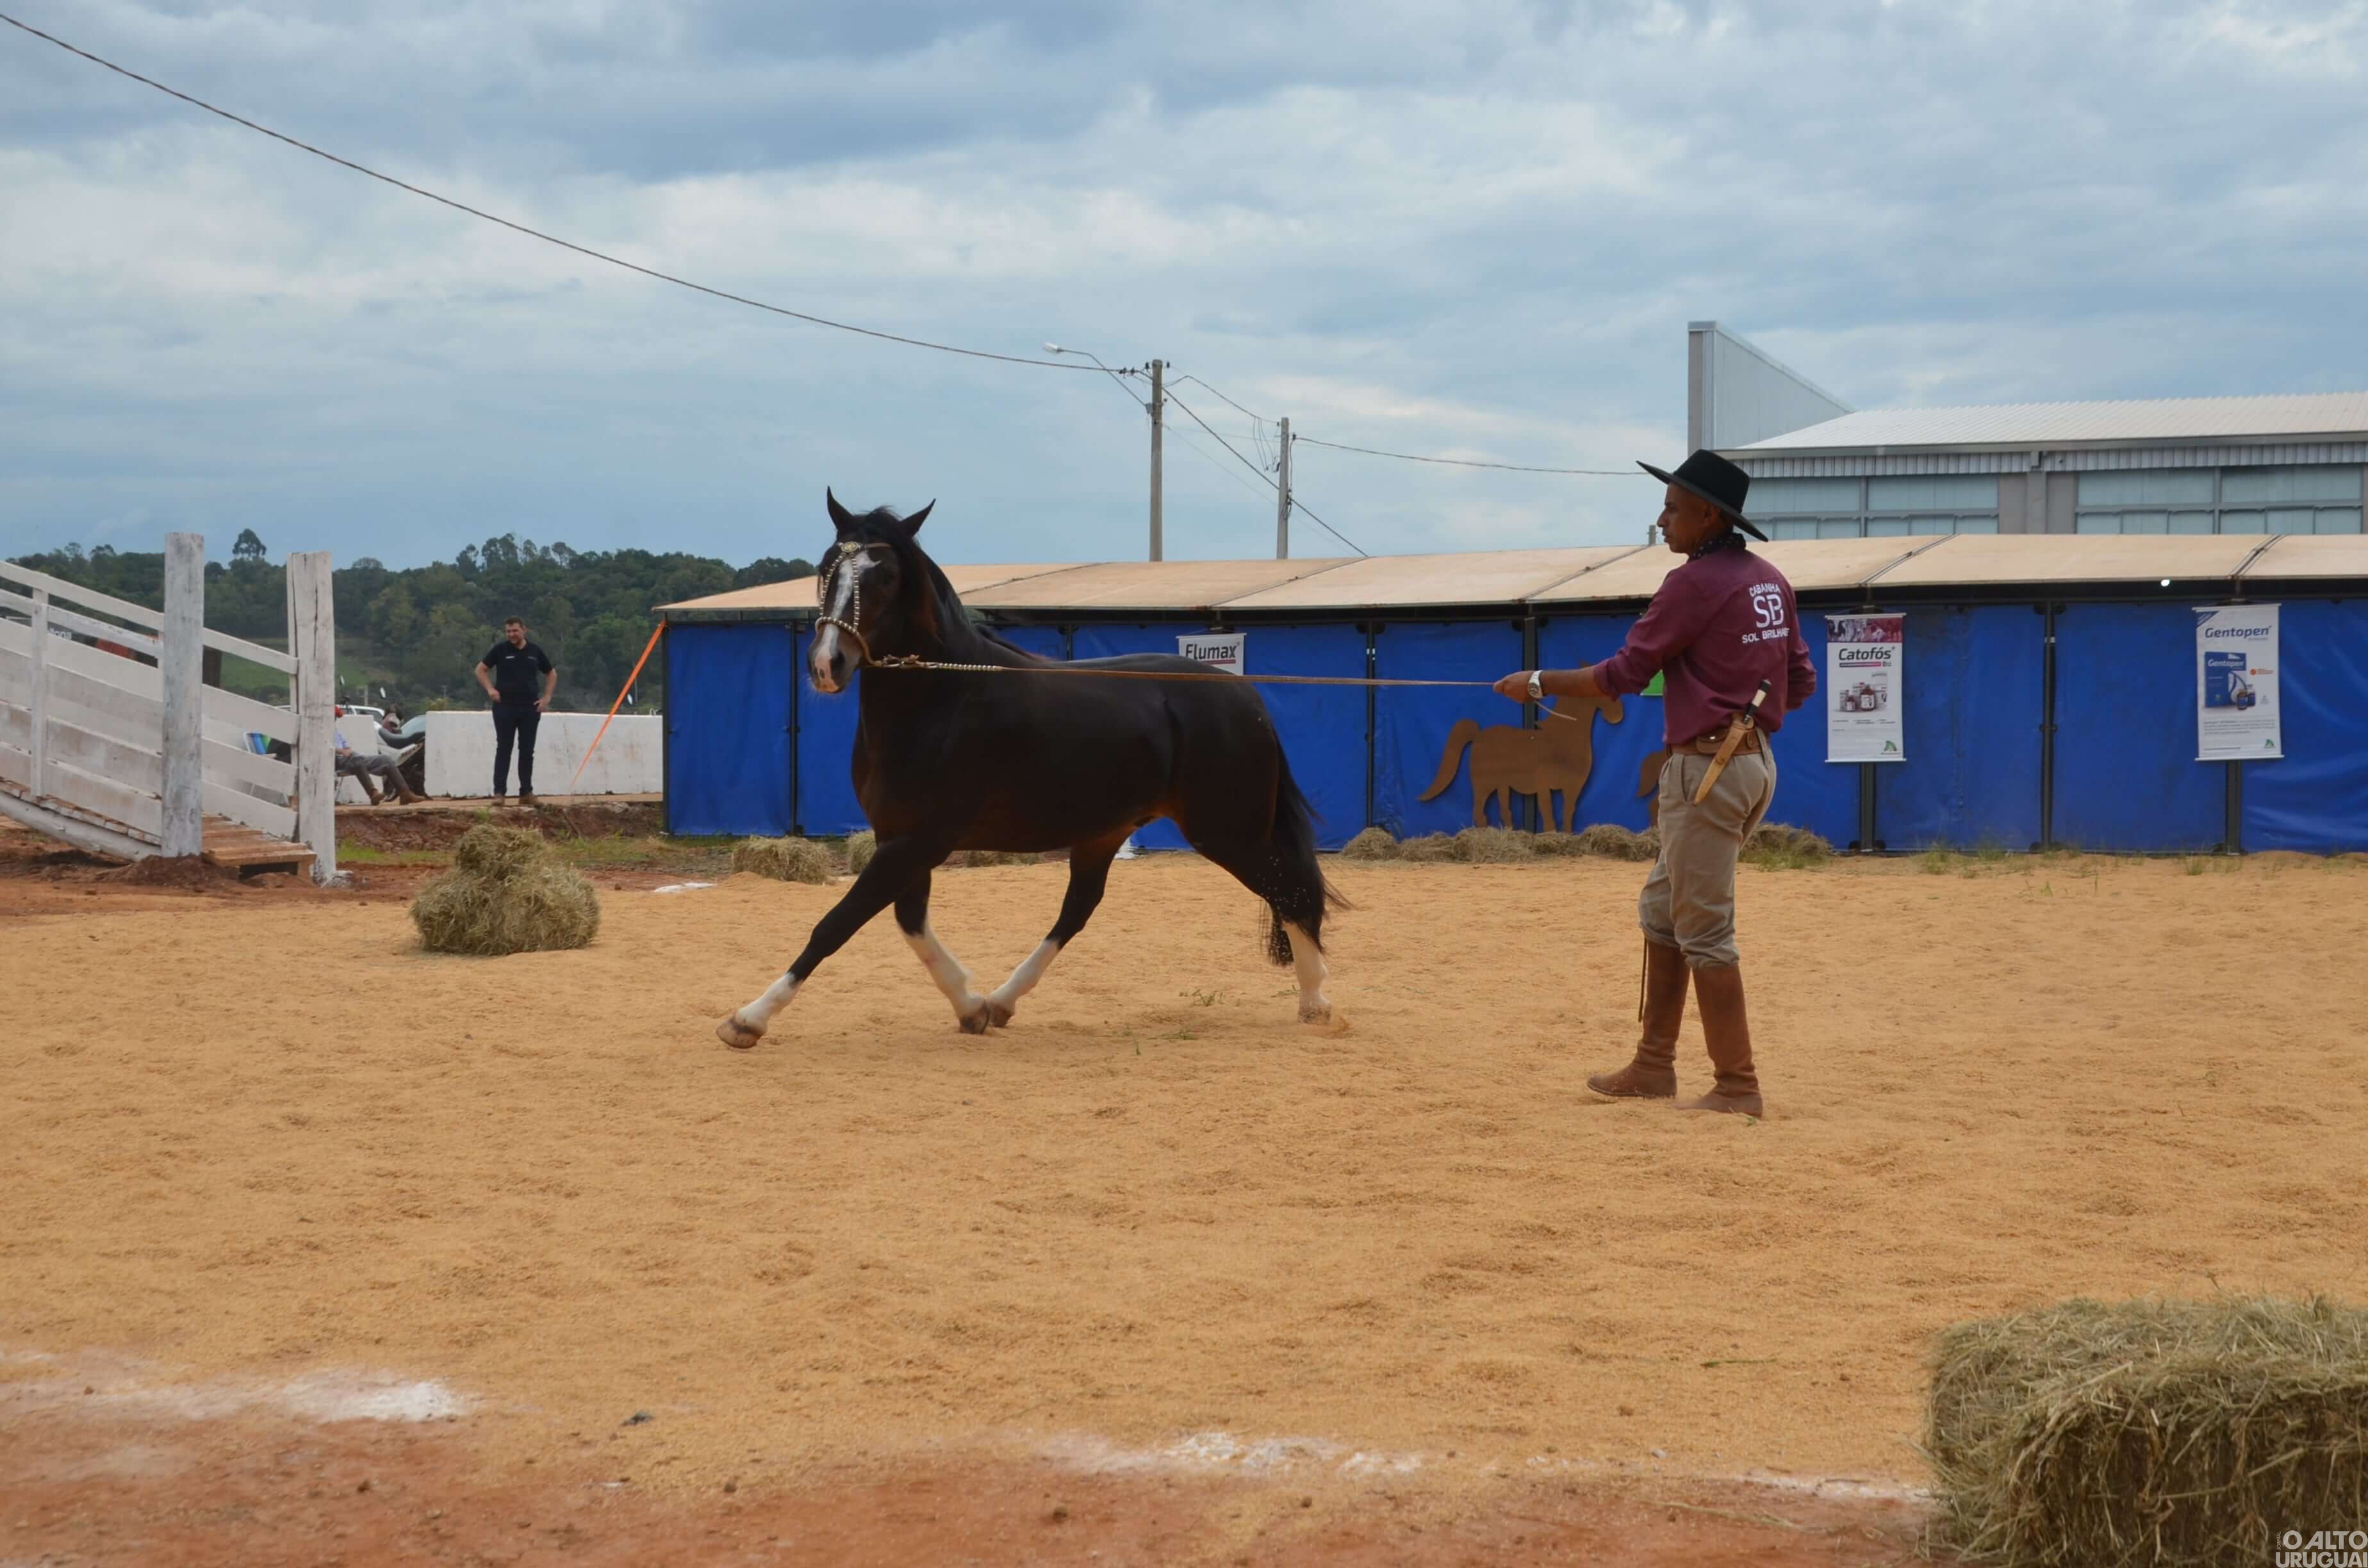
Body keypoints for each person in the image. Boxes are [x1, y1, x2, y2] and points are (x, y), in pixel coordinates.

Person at [1493, 450, 1815, 1116]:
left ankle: (1737, 1086)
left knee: (1704, 930)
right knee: (1663, 912)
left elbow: (1623, 675)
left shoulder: (1691, 585)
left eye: (1673, 507)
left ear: (1708, 515)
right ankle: (1653, 1066)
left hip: (1706, 769)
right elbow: (1802, 680)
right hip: (1753, 764)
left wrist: (1534, 683)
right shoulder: (1770, 581)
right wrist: (1736, 699)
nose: (1662, 518)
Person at [474, 617, 556, 804]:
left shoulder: (535, 651)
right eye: (508, 632)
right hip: (505, 707)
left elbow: (551, 673)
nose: (511, 635)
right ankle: (499, 793)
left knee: (527, 750)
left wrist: (547, 698)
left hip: (530, 708)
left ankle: (526, 792)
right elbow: (480, 669)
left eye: (515, 631)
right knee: (504, 748)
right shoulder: (500, 650)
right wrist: (490, 689)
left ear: (524, 630)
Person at [334, 719, 422, 805]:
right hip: (334, 760)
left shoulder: (335, 730)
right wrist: (341, 751)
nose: (335, 719)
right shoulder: (321, 731)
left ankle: (405, 794)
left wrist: (348, 750)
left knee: (386, 759)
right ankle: (373, 794)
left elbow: (346, 746)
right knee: (357, 760)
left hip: (349, 758)